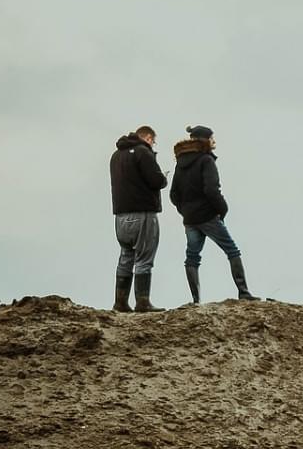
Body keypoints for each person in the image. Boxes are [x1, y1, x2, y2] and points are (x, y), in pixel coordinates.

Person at [169, 125, 258, 303]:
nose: (214, 141)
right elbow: (211, 190)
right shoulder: (206, 161)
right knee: (232, 250)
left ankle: (196, 300)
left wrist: (185, 211)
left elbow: (173, 194)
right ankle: (244, 292)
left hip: (190, 219)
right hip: (208, 216)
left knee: (192, 258)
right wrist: (222, 210)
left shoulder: (180, 163)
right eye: (212, 138)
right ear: (205, 140)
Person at [110, 125, 168, 312]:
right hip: (142, 213)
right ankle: (143, 302)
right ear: (149, 137)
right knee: (144, 257)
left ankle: (120, 302)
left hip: (120, 216)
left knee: (126, 256)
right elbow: (155, 180)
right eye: (153, 140)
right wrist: (163, 178)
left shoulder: (116, 155)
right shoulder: (143, 152)